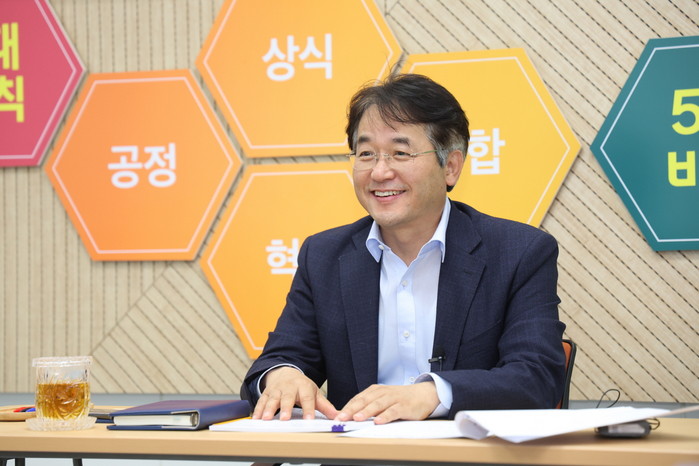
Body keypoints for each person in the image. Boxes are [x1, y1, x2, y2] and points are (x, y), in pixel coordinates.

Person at [240, 73, 566, 424]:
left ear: (451, 166)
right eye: (366, 154)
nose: (380, 172)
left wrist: (432, 394)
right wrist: (282, 376)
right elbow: (279, 359)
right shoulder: (324, 256)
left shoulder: (519, 253)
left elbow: (537, 378)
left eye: (400, 153)